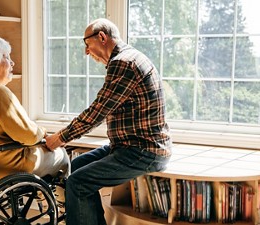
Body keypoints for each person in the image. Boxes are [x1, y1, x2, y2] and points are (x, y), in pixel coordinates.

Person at [45, 18, 172, 225]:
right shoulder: (127, 59)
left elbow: (98, 111)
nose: (87, 52)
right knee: (76, 166)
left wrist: (61, 137)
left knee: (77, 183)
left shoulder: (123, 63)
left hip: (144, 151)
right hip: (128, 145)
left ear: (102, 37)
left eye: (87, 44)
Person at [0, 36, 70, 180]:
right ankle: (63, 202)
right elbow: (28, 135)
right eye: (6, 57)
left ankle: (44, 197)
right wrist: (44, 133)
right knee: (62, 156)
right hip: (6, 164)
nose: (12, 62)